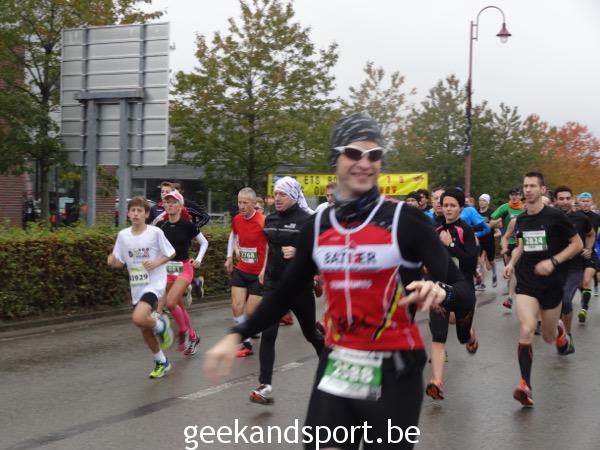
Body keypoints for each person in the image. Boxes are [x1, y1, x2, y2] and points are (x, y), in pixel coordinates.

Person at [205, 112, 475, 450]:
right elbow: (284, 292)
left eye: (374, 154)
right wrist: (237, 334)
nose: (364, 162)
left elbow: (464, 291)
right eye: (354, 152)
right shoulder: (319, 227)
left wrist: (443, 291)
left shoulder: (404, 221)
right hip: (339, 364)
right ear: (335, 159)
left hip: (393, 368)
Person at [504, 172, 582, 407]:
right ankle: (525, 385)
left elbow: (577, 244)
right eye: (525, 186)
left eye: (532, 186)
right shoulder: (521, 220)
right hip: (527, 281)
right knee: (527, 328)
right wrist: (511, 263)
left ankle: (559, 329)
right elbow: (521, 246)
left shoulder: (556, 217)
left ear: (542, 190)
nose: (527, 190)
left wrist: (554, 261)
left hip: (552, 283)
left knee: (548, 337)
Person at [250, 176, 324, 405]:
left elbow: (323, 251)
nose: (277, 198)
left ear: (293, 195)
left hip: (299, 286)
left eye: (282, 194)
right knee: (268, 333)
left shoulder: (308, 220)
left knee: (311, 333)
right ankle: (265, 385)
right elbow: (270, 248)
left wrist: (300, 251)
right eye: (275, 194)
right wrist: (264, 269)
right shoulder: (270, 219)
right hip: (274, 285)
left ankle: (331, 369)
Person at [107, 197, 176, 378]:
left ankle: (161, 325)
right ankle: (161, 361)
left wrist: (155, 263)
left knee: (138, 318)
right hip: (137, 286)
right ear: (128, 214)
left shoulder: (155, 233)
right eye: (133, 210)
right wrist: (112, 261)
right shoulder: (123, 236)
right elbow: (120, 262)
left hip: (154, 284)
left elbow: (170, 253)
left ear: (146, 214)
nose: (136, 214)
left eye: (140, 211)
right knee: (144, 328)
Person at [427, 188, 479, 400]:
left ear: (461, 208)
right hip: (439, 288)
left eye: (452, 205)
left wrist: (451, 244)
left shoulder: (465, 230)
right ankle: (437, 382)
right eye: (445, 205)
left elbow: (471, 262)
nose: (448, 209)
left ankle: (470, 334)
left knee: (461, 336)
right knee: (438, 336)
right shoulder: (435, 228)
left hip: (462, 289)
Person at [156, 190, 208, 356]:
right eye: (167, 202)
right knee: (178, 306)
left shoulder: (188, 225)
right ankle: (193, 336)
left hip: (184, 268)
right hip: (168, 270)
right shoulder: (162, 227)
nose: (170, 205)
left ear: (180, 206)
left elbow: (204, 242)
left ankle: (183, 332)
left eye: (174, 202)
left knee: (171, 303)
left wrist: (198, 259)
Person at [225, 187, 268, 357]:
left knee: (250, 313)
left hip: (258, 274)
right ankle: (246, 344)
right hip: (242, 269)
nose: (241, 206)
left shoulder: (263, 221)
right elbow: (233, 236)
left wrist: (265, 269)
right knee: (236, 306)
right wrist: (230, 256)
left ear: (254, 203)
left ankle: (266, 319)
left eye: (245, 203)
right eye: (239, 202)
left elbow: (270, 246)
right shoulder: (237, 219)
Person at [553, 186, 594, 353]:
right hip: (554, 267)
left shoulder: (581, 218)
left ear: (572, 199)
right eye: (561, 199)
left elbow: (591, 234)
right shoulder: (550, 217)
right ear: (555, 200)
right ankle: (560, 329)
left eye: (567, 198)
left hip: (574, 268)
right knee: (552, 303)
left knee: (565, 300)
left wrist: (588, 248)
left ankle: (567, 336)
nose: (565, 202)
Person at [490, 187, 524, 309]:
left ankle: (510, 297)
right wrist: (499, 220)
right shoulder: (504, 208)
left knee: (515, 269)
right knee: (510, 270)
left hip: (521, 242)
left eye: (516, 194)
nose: (514, 197)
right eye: (512, 194)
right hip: (508, 241)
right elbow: (492, 221)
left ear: (520, 196)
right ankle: (513, 291)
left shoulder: (525, 208)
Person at [576, 192, 600, 323]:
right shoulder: (574, 216)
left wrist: (590, 248)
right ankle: (585, 297)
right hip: (576, 254)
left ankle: (584, 308)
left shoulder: (597, 217)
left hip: (591, 253)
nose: (585, 203)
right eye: (583, 201)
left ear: (591, 202)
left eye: (588, 201)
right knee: (580, 284)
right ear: (579, 202)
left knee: (586, 281)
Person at [477, 193, 498, 289]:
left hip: (489, 239)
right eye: (480, 200)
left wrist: (491, 224)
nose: (481, 202)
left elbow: (499, 224)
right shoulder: (476, 212)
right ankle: (482, 282)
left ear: (488, 202)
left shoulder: (492, 213)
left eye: (484, 200)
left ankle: (494, 273)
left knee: (491, 260)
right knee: (479, 260)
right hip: (478, 239)